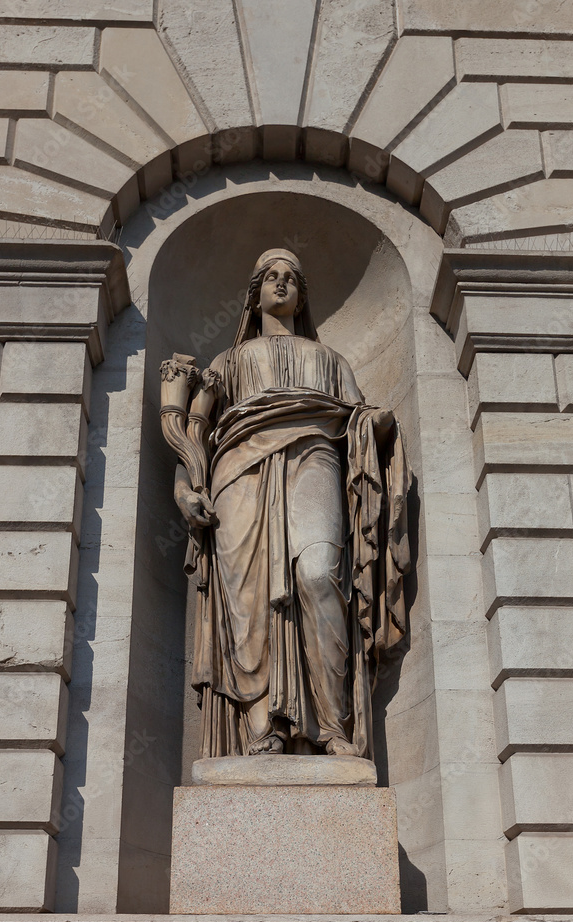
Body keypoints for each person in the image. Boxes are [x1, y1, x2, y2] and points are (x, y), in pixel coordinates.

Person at [170, 248, 410, 759]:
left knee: (320, 573)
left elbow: (356, 420)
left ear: (302, 294)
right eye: (271, 277)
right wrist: (185, 490)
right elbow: (196, 437)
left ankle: (332, 723)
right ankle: (263, 727)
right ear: (254, 292)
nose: (281, 284)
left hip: (314, 457)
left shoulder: (331, 361)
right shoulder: (226, 364)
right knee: (247, 598)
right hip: (238, 472)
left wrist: (375, 425)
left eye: (291, 278)